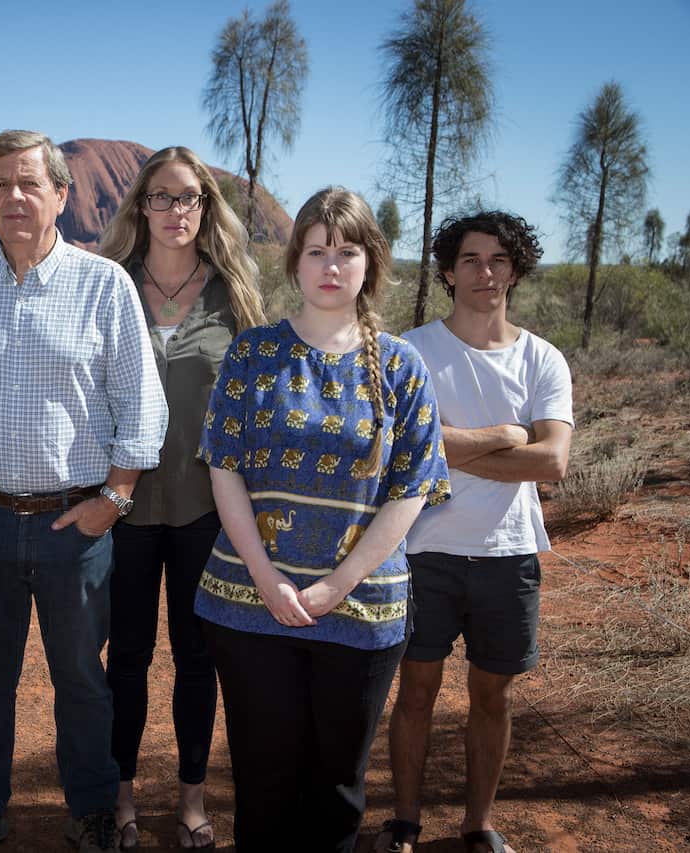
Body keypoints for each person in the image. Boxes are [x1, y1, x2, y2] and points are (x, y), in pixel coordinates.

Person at [0, 130, 167, 853]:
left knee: (82, 682)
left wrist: (114, 499)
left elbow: (141, 402)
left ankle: (91, 808)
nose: (14, 197)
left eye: (30, 182)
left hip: (77, 521)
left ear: (62, 194)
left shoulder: (104, 285)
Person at [196, 187, 451, 852]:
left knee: (337, 785)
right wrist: (267, 578)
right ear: (295, 263)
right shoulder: (252, 356)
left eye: (346, 251)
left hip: (361, 610)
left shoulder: (402, 365)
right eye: (316, 251)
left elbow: (411, 489)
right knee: (262, 780)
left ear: (371, 263)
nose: (331, 265)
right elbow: (223, 467)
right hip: (249, 604)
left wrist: (336, 585)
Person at [375, 212, 572, 853]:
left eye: (497, 260)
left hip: (509, 554)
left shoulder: (542, 359)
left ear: (516, 269)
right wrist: (506, 435)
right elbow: (403, 446)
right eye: (470, 260)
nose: (484, 272)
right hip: (423, 548)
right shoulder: (414, 351)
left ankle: (478, 823)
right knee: (417, 691)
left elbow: (552, 463)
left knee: (492, 696)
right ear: (448, 272)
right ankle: (404, 820)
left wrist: (448, 447)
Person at [97, 146, 265, 851]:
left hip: (208, 510)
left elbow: (259, 403)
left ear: (206, 207)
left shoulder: (235, 293)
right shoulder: (108, 286)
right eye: (161, 198)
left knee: (199, 659)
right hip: (124, 509)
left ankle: (192, 798)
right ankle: (122, 794)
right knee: (126, 657)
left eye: (189, 198)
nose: (175, 211)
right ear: (141, 206)